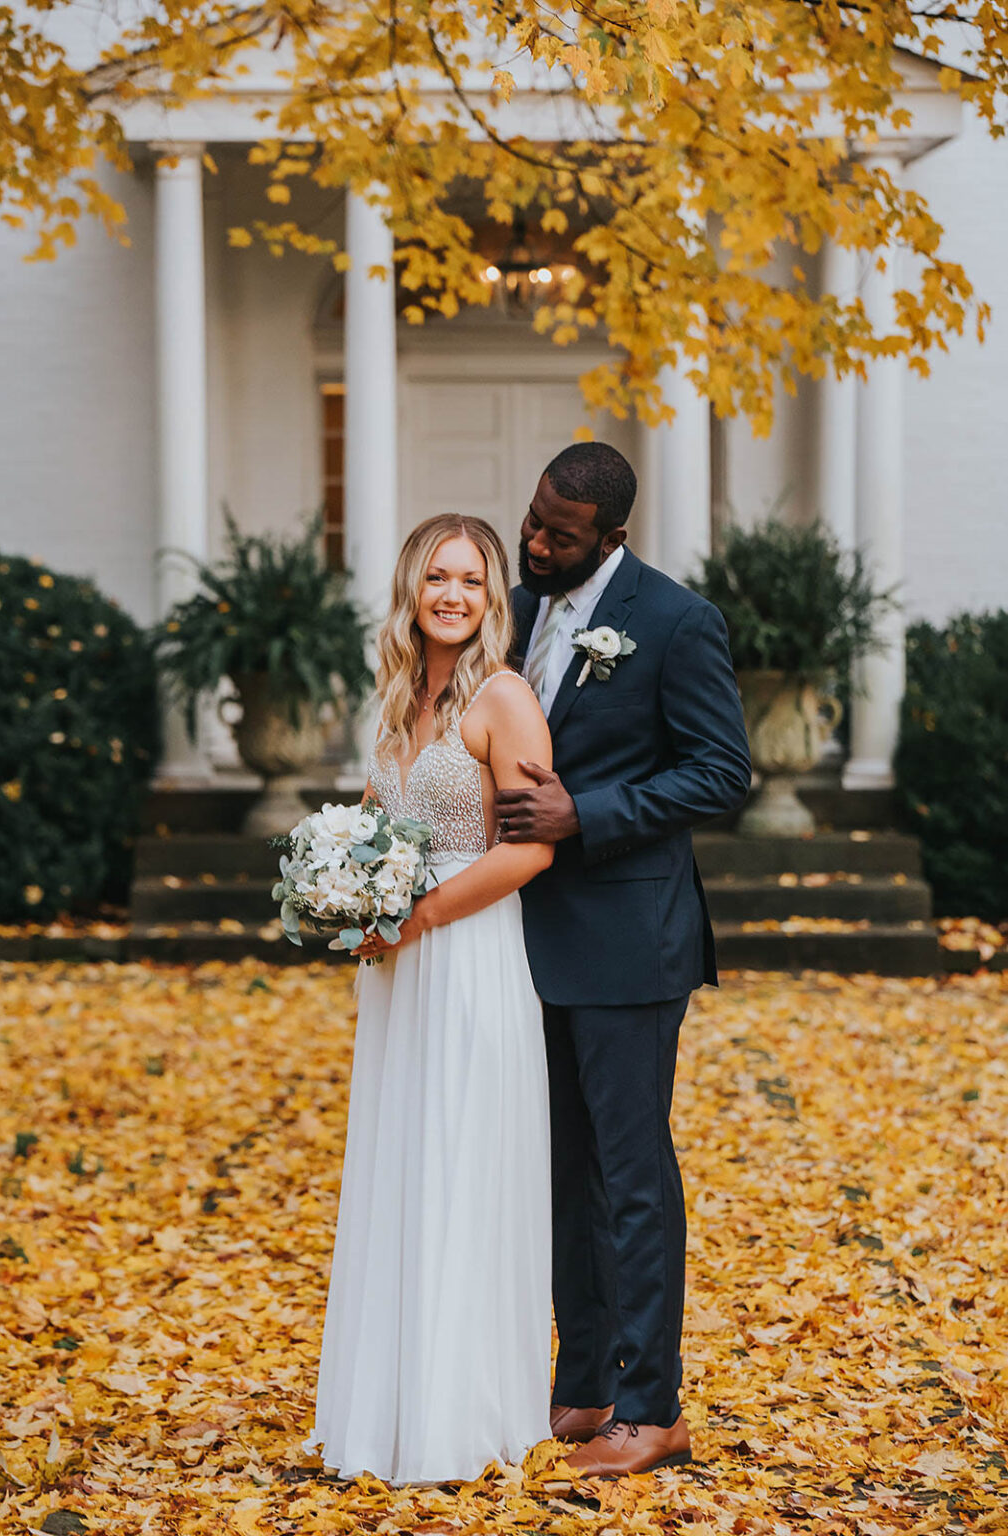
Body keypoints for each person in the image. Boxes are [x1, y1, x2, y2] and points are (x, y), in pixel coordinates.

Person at [497, 441, 752, 1477]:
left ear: (610, 534)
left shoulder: (675, 621)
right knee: (565, 1171)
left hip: (631, 940)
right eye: (533, 519)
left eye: (559, 532)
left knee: (633, 1174)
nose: (537, 541)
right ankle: (584, 1382)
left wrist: (582, 813)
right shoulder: (517, 608)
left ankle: (653, 1407)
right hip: (527, 936)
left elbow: (718, 772)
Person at [302, 514, 555, 1485]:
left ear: (492, 597)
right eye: (436, 577)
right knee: (402, 1164)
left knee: (458, 1161)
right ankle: (391, 1405)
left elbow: (529, 847)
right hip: (397, 971)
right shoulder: (397, 699)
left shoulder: (502, 697)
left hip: (468, 954)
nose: (452, 594)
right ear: (411, 588)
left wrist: (418, 919)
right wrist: (347, 898)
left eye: (471, 580)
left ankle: (460, 1411)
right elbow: (376, 828)